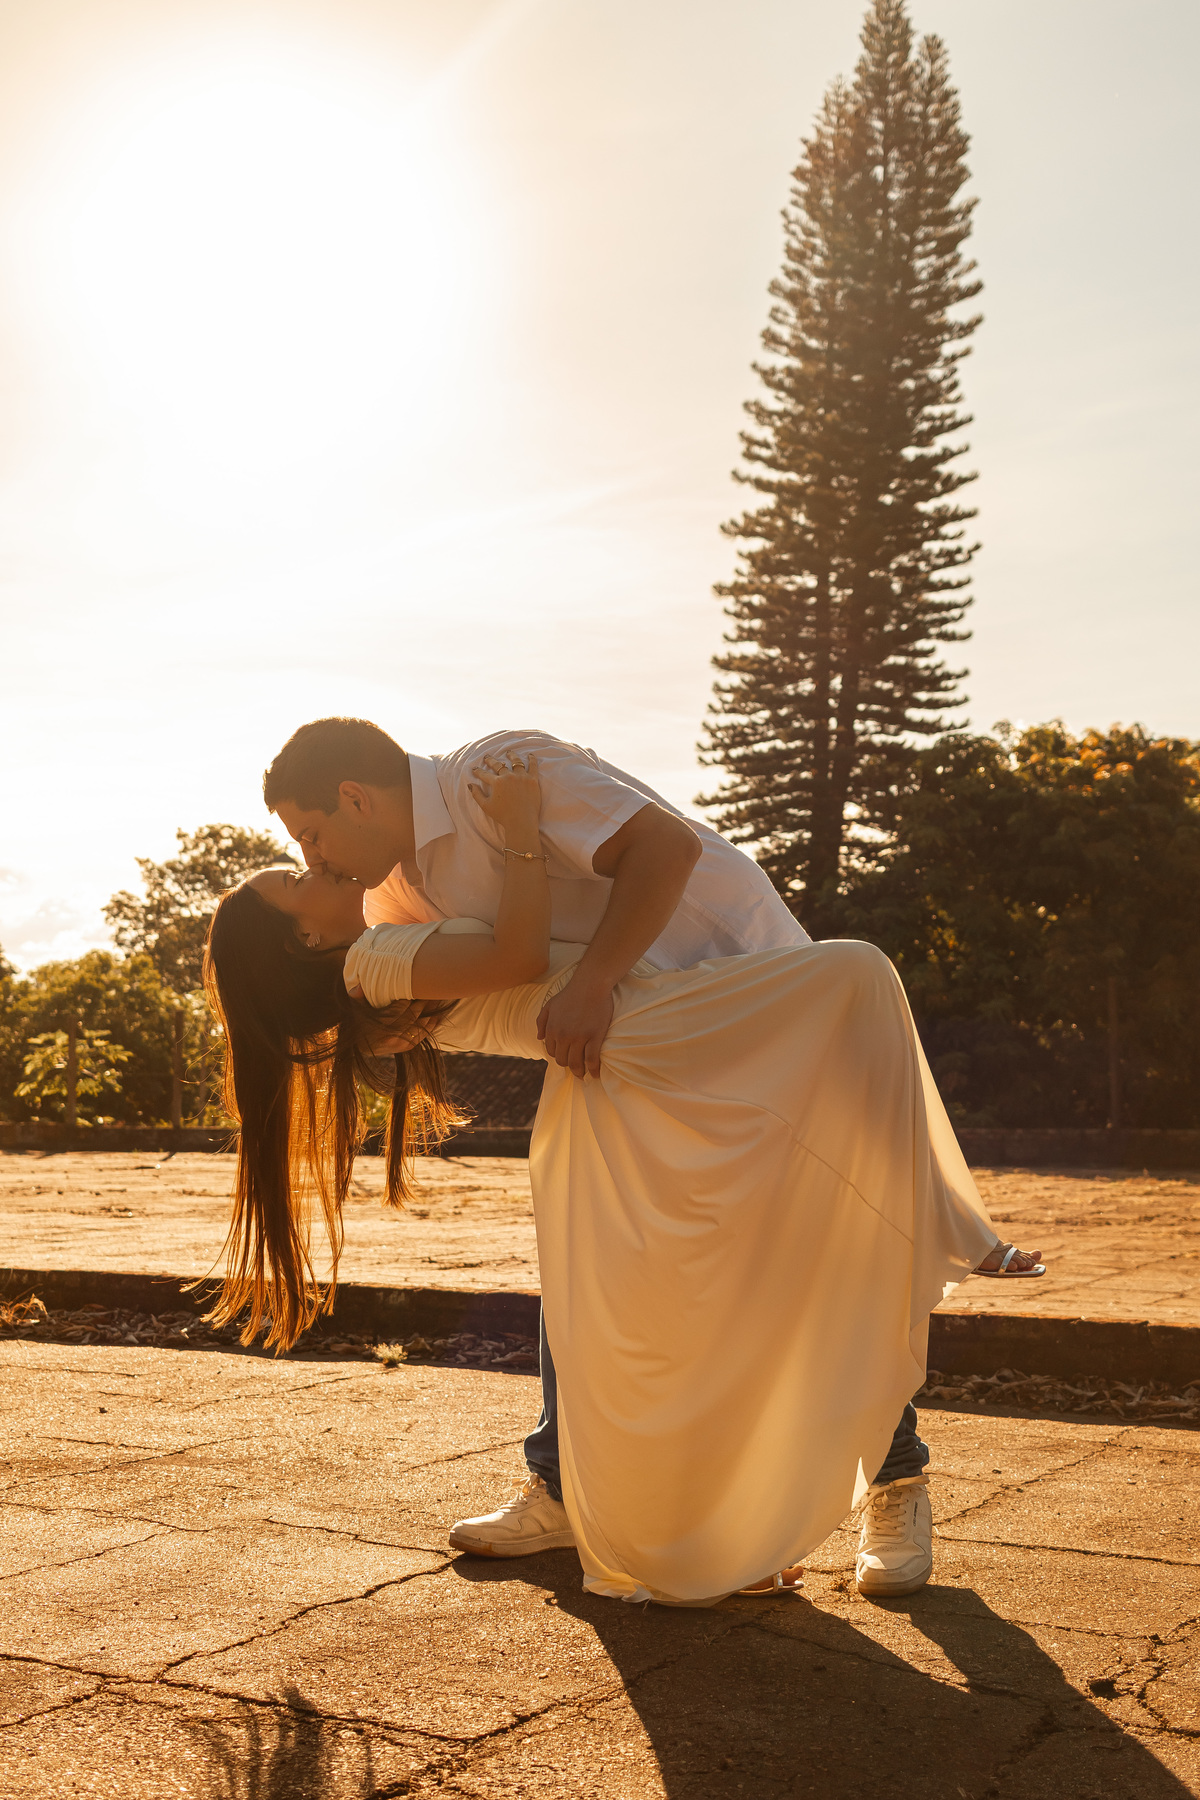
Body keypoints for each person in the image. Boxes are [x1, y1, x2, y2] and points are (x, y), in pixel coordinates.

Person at [209, 719, 1042, 1596]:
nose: (315, 858)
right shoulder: (385, 912)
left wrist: (583, 960)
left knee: (820, 1242)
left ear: (353, 798)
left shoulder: (497, 777)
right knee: (602, 1271)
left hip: (732, 989)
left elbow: (663, 850)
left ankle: (895, 1480)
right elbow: (506, 967)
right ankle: (581, 1489)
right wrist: (557, 933)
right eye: (300, 860)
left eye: (308, 838)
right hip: (623, 1050)